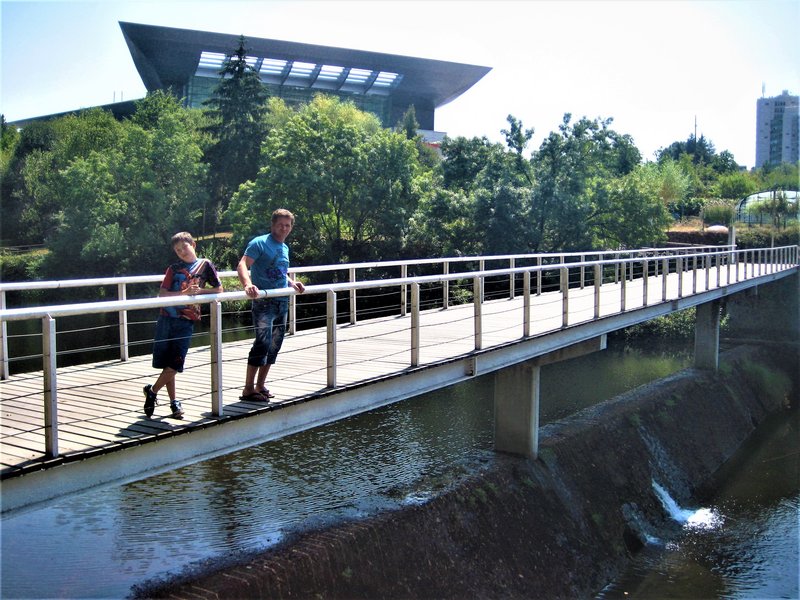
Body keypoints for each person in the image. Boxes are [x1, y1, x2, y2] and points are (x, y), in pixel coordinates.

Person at [143, 232, 223, 419]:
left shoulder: (205, 265)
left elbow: (219, 289)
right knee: (168, 362)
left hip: (186, 320)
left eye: (184, 248)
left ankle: (152, 391)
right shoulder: (173, 268)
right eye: (177, 250)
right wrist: (184, 292)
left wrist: (199, 291)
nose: (181, 252)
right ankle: (174, 404)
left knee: (177, 362)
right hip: (167, 318)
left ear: (193, 245)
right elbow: (162, 294)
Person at [237, 208, 305, 402]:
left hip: (281, 301)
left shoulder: (284, 248)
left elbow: (278, 271)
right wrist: (248, 284)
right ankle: (248, 389)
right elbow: (242, 264)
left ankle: (260, 385)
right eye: (280, 225)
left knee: (274, 345)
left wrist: (292, 283)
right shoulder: (260, 243)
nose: (284, 228)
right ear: (273, 225)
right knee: (262, 343)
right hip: (264, 303)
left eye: (287, 225)